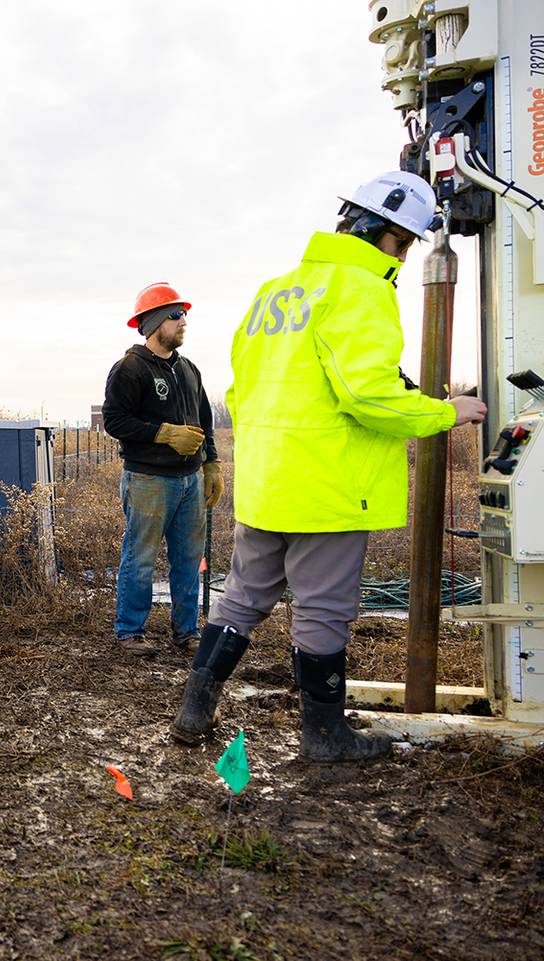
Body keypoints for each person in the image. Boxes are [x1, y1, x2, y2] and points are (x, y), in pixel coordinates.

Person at [168, 170, 488, 761]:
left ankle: (194, 713)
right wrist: (443, 412)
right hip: (329, 486)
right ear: (395, 238)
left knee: (241, 598)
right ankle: (324, 737)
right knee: (322, 608)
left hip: (268, 482)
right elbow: (367, 394)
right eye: (408, 242)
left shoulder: (275, 291)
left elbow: (241, 393)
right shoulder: (363, 290)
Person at [102, 282, 224, 657]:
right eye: (175, 315)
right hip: (148, 481)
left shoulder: (188, 370)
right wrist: (163, 434)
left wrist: (212, 463)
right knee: (140, 557)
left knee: (188, 560)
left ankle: (186, 632)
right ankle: (129, 632)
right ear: (155, 322)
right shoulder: (130, 369)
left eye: (184, 314)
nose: (183, 321)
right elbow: (114, 421)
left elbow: (204, 420)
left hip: (189, 480)